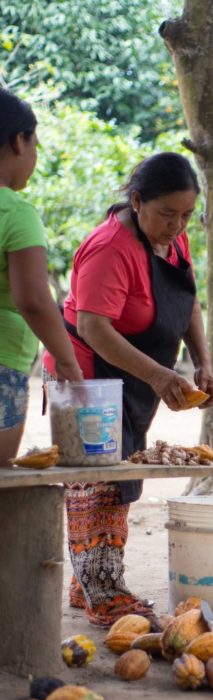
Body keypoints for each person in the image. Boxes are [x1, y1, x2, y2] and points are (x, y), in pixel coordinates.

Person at [43, 152, 213, 626]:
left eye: (186, 216)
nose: (177, 226)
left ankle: (95, 583)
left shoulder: (172, 243)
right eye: (167, 214)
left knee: (121, 473)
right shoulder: (110, 247)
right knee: (97, 473)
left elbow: (188, 303)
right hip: (84, 370)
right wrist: (160, 375)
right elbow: (95, 328)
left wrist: (202, 361)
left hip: (132, 372)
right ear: (137, 201)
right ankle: (99, 588)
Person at [0, 89, 83, 465]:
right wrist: (67, 361)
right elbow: (33, 299)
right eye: (35, 144)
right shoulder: (15, 212)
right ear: (20, 141)